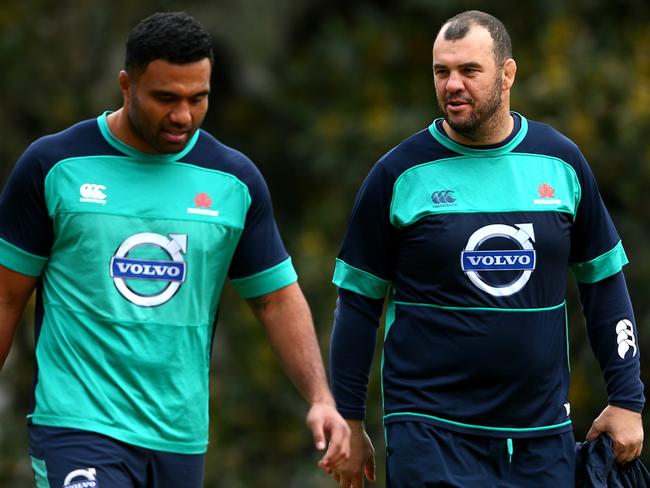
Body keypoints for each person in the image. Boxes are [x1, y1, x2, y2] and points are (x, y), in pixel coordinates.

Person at [0, 11, 349, 488]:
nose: (182, 115)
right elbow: (7, 296)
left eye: (197, 98)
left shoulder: (233, 182)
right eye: (165, 98)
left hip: (178, 437)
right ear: (126, 85)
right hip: (78, 423)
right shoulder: (55, 166)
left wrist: (320, 398)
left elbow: (274, 298)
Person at [328, 9, 644, 488]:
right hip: (430, 432)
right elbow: (356, 305)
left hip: (541, 436)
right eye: (442, 71)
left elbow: (603, 280)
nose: (453, 84)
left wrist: (627, 399)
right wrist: (349, 419)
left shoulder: (560, 163)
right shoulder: (398, 174)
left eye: (469, 70)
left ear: (508, 73)